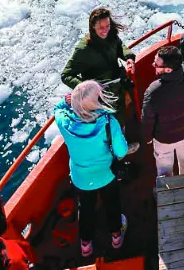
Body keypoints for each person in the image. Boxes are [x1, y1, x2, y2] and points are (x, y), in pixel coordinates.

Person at [52, 80, 129, 257]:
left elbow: (57, 109)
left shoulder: (64, 121)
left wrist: (65, 102)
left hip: (81, 178)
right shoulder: (108, 122)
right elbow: (122, 151)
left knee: (85, 208)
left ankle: (85, 245)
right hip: (106, 175)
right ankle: (116, 237)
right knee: (112, 204)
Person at [62, 7, 136, 139]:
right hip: (100, 98)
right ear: (92, 27)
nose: (105, 30)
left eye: (107, 26)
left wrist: (128, 57)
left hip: (117, 88)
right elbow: (66, 75)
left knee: (120, 117)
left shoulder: (111, 35)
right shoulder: (83, 49)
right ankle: (113, 148)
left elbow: (120, 46)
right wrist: (89, 88)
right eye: (101, 27)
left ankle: (122, 142)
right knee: (108, 125)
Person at [141, 44, 184, 176]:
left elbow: (147, 119)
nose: (153, 65)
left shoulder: (153, 90)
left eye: (156, 64)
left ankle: (168, 188)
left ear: (168, 70)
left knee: (164, 168)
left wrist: (147, 137)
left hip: (164, 139)